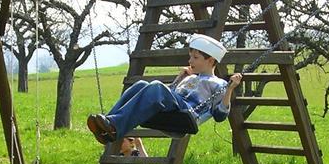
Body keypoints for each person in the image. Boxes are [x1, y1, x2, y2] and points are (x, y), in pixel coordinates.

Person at [86, 34, 243, 143]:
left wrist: (230, 89)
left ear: (210, 60)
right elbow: (167, 96)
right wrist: (178, 80)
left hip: (187, 115)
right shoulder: (190, 77)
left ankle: (114, 125)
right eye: (190, 57)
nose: (190, 61)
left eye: (196, 57)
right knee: (140, 85)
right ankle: (106, 125)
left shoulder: (218, 84)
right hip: (173, 109)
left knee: (156, 86)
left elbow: (220, 116)